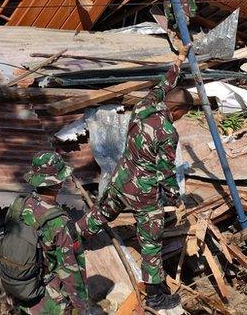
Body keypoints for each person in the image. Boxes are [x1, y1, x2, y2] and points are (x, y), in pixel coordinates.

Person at [77, 45, 192, 311]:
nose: (180, 119)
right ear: (176, 111)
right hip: (143, 193)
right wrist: (176, 198)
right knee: (151, 243)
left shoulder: (144, 106)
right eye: (182, 116)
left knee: (100, 213)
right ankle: (155, 296)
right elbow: (165, 172)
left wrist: (179, 61)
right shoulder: (167, 132)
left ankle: (71, 238)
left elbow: (164, 84)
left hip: (121, 178)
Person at [11, 152, 90, 314]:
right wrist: (83, 308)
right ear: (58, 183)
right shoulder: (59, 221)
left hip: (18, 290)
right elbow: (70, 271)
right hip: (46, 302)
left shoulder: (19, 205)